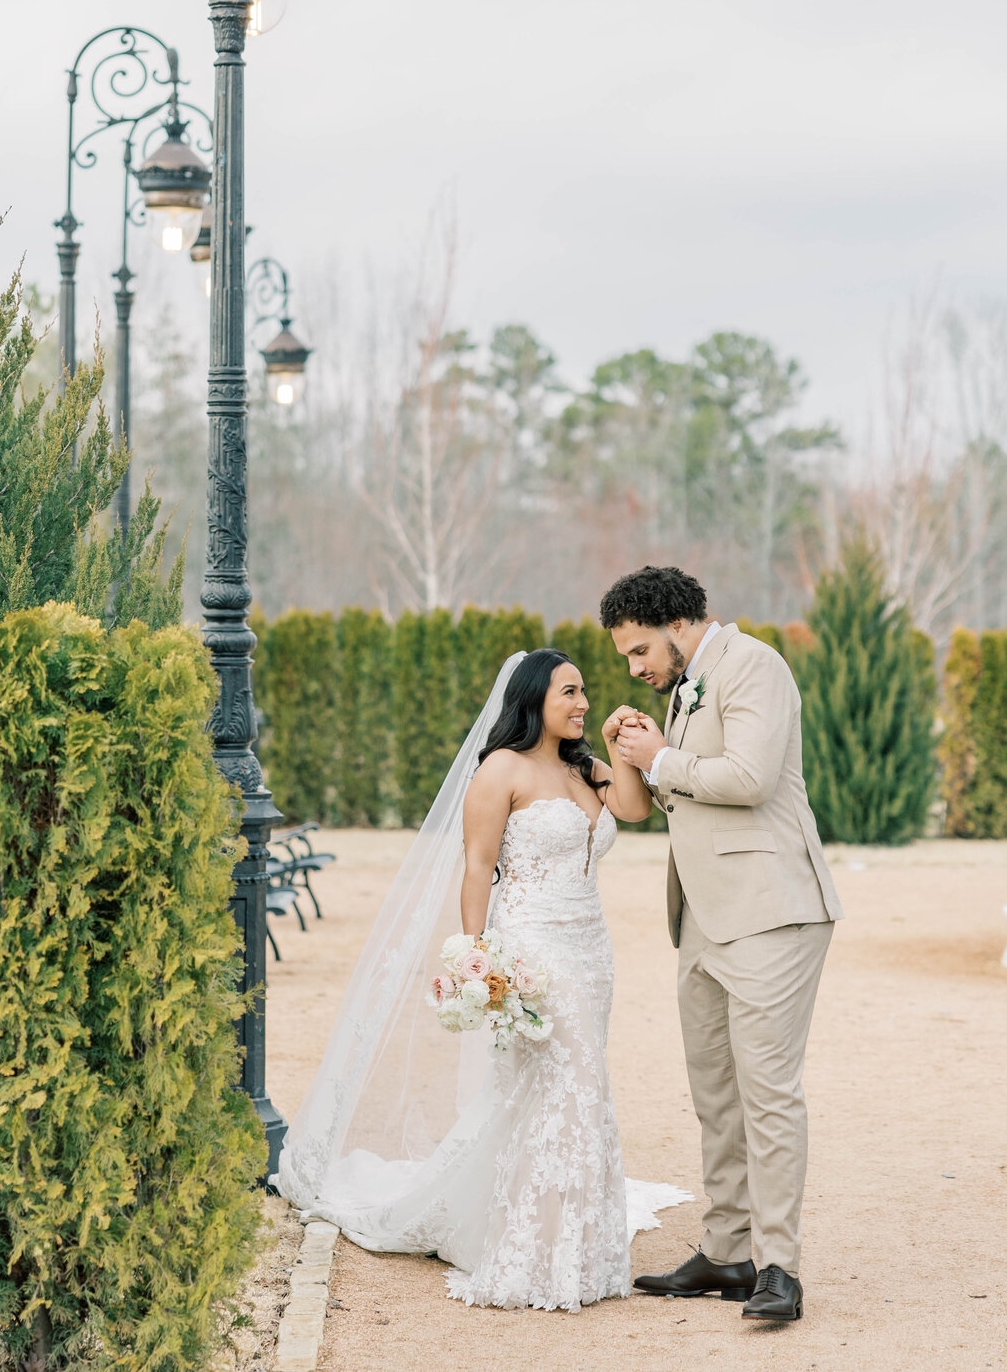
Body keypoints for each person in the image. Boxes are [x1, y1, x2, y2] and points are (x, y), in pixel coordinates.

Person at [278, 647, 690, 1312]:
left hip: (592, 950)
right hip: (532, 949)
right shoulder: (500, 770)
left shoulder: (584, 766)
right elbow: (476, 868)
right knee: (571, 1084)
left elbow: (637, 811)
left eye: (584, 692)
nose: (583, 703)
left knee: (565, 1090)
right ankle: (539, 1254)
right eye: (570, 693)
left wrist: (625, 747)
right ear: (533, 700)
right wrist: (478, 960)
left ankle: (572, 1240)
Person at [600, 565, 842, 1324]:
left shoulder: (755, 666)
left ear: (677, 624)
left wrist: (658, 760)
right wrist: (649, 749)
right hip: (701, 916)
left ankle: (780, 1269)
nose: (636, 668)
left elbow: (749, 778)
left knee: (767, 1097)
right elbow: (685, 794)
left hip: (771, 910)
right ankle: (727, 1252)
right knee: (715, 1095)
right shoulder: (682, 688)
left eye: (639, 650)